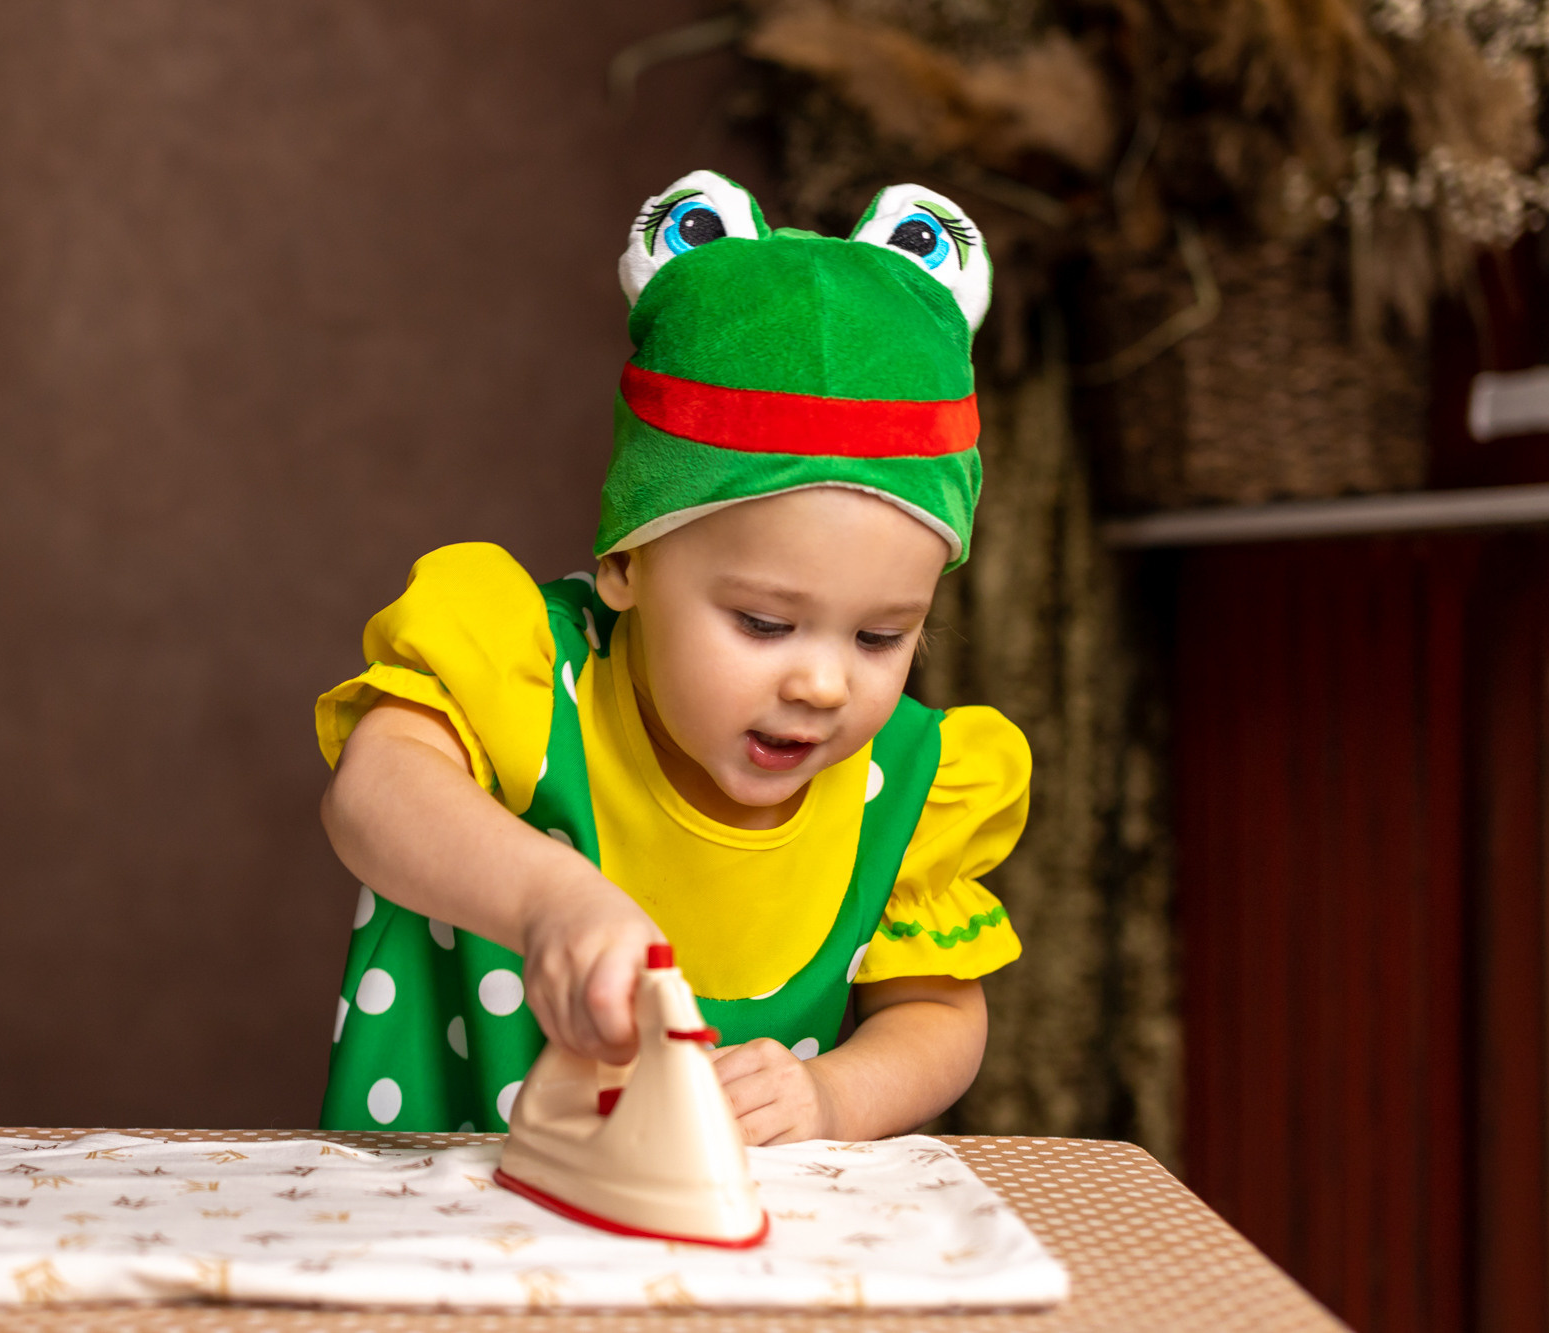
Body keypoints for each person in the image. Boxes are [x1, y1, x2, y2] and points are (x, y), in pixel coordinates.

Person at [314, 171, 1029, 1145]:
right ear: (623, 564)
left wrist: (830, 1098)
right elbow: (373, 791)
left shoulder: (906, 786)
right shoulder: (528, 673)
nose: (821, 683)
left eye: (878, 636)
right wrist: (547, 898)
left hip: (728, 1271)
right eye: (763, 624)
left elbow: (939, 1017)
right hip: (447, 1238)